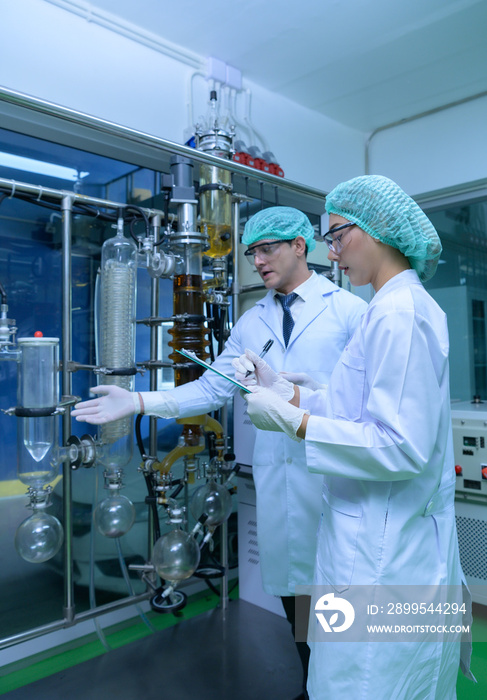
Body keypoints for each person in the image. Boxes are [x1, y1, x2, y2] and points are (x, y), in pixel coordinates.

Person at [72, 205, 367, 700]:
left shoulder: (350, 313)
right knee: (296, 596)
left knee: (342, 599)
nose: (258, 261)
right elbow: (210, 390)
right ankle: (313, 688)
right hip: (280, 479)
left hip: (334, 478)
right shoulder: (253, 323)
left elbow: (366, 401)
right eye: (251, 252)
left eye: (267, 248)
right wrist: (139, 400)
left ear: (301, 245)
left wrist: (310, 393)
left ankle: (345, 691)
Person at [236, 176, 475, 700]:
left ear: (377, 230)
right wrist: (291, 393)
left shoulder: (399, 314)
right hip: (361, 540)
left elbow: (398, 444)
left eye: (338, 236)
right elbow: (358, 406)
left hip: (384, 552)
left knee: (367, 684)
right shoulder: (386, 309)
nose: (332, 251)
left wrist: (293, 422)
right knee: (337, 675)